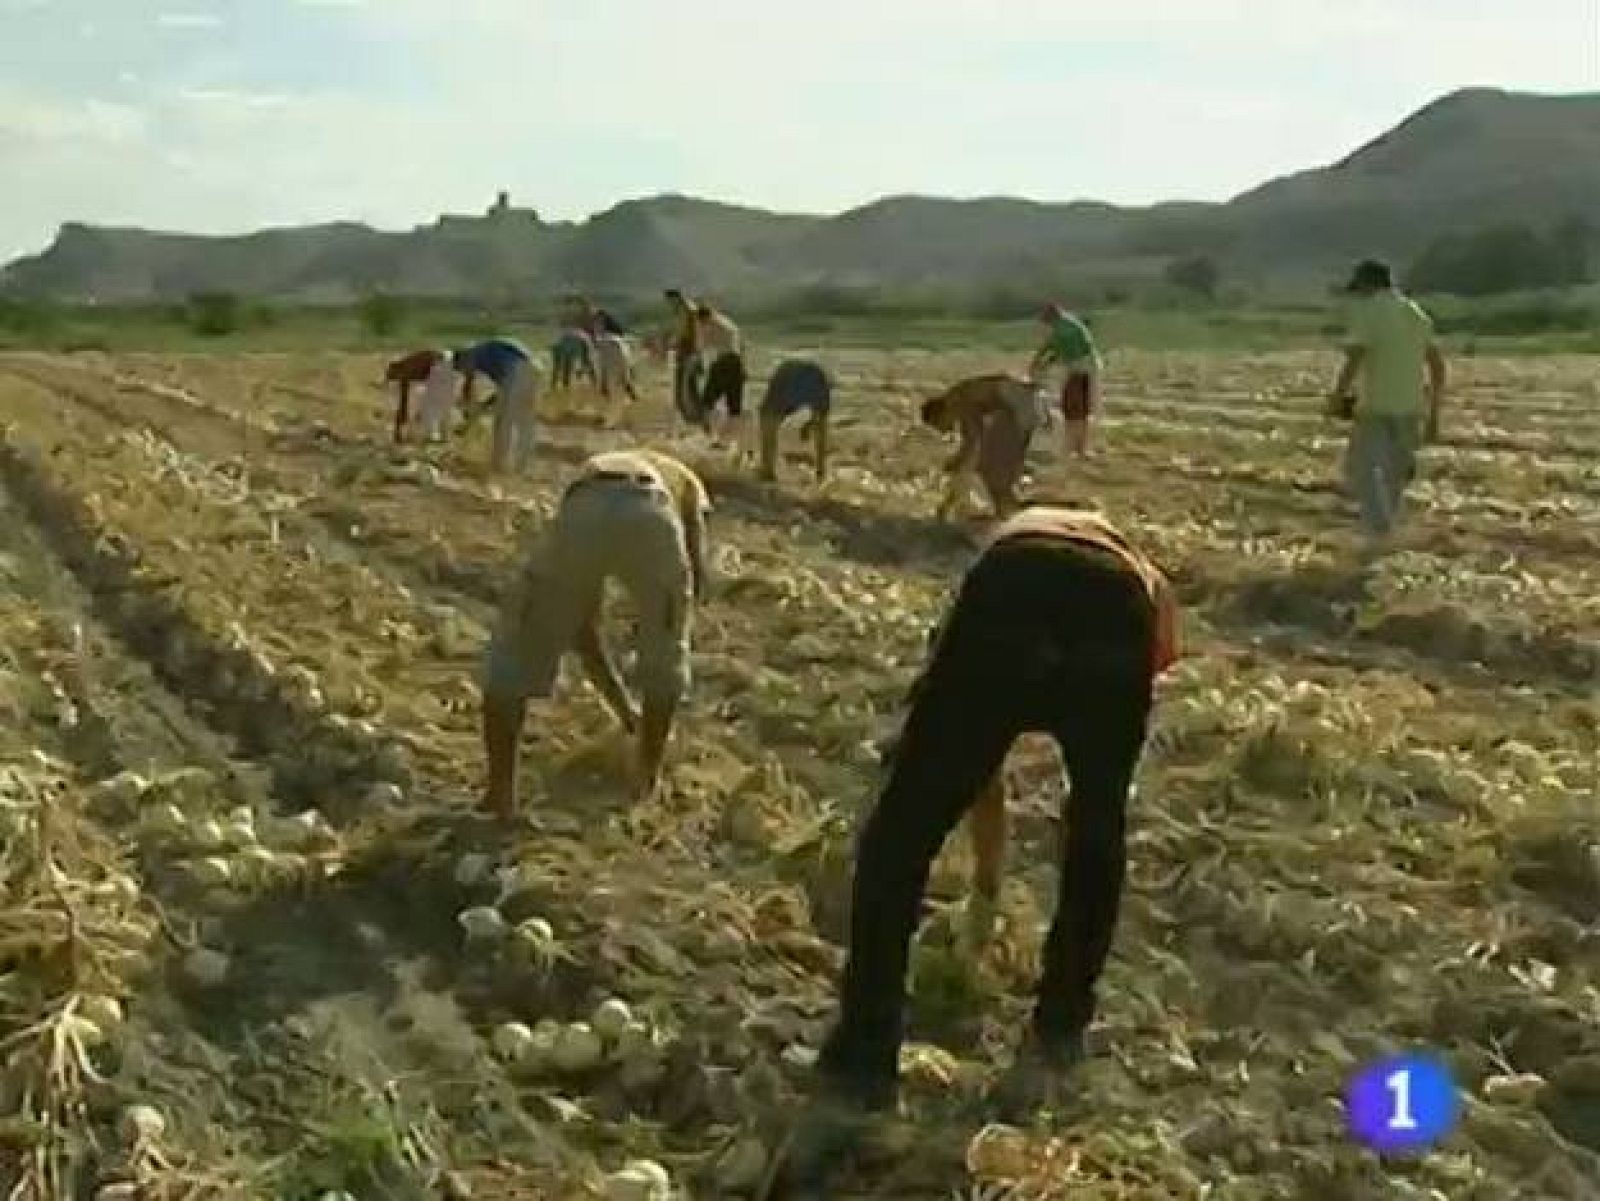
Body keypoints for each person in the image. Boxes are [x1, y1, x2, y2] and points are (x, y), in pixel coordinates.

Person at [769, 506, 1180, 1195]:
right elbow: (1156, 664)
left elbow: (969, 761)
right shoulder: (1140, 574)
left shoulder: (1010, 548)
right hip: (1117, 615)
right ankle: (1059, 1025)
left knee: (901, 829)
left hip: (1010, 596)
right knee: (1097, 828)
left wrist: (985, 881)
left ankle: (866, 1053)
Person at [479, 448, 711, 816]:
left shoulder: (614, 464)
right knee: (665, 659)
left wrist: (623, 711)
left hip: (585, 504)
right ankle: (645, 781)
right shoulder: (688, 487)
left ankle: (499, 797)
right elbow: (697, 576)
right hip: (654, 509)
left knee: (515, 654)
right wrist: (669, 624)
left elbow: (582, 630)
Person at [1329, 258, 1446, 558]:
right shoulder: (1417, 314)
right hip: (1411, 408)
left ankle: (1381, 535)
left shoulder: (1370, 312)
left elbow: (1355, 358)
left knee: (1361, 470)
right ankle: (1389, 537)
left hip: (1376, 406)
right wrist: (1435, 415)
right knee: (1395, 476)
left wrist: (1337, 396)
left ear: (1369, 285)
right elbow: (1436, 365)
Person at [919, 373, 1041, 520]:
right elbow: (972, 444)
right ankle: (1007, 511)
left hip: (1019, 407)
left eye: (939, 425)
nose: (944, 430)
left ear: (940, 414)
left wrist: (949, 497)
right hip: (1021, 404)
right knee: (993, 468)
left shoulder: (959, 402)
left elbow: (973, 445)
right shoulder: (960, 398)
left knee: (993, 470)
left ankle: (1010, 514)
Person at [452, 337, 541, 473]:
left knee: (503, 422)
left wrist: (469, 417)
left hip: (517, 371)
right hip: (535, 370)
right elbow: (502, 392)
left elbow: (469, 385)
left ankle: (498, 464)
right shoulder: (489, 354)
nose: (465, 372)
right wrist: (483, 406)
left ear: (463, 359)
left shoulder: (474, 354)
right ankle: (522, 466)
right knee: (524, 421)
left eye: (462, 369)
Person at [1029, 303, 1102, 458]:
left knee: (1074, 409)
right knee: (1080, 411)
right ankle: (1080, 447)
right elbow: (1053, 350)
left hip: (1080, 369)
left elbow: (1052, 349)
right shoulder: (1068, 323)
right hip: (1085, 368)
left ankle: (1074, 448)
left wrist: (1036, 365)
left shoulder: (1063, 330)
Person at [757, 358, 832, 483]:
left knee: (768, 422)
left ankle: (767, 470)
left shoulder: (787, 376)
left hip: (791, 376)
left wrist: (809, 424)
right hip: (812, 377)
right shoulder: (819, 387)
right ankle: (820, 470)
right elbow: (820, 422)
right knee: (821, 427)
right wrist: (810, 424)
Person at [695, 302, 747, 444]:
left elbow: (701, 347)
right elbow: (741, 345)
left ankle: (710, 434)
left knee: (707, 400)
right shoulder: (727, 322)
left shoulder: (709, 326)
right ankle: (730, 439)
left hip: (724, 363)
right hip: (737, 363)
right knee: (734, 406)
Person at [382, 348, 446, 443]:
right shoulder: (408, 370)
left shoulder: (411, 367)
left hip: (423, 379)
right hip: (419, 380)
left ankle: (423, 434)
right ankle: (407, 434)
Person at [664, 289, 704, 426]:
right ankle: (697, 420)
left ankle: (694, 421)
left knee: (684, 391)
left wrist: (669, 344)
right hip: (692, 353)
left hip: (688, 354)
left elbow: (680, 334)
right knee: (691, 389)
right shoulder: (691, 310)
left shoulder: (685, 310)